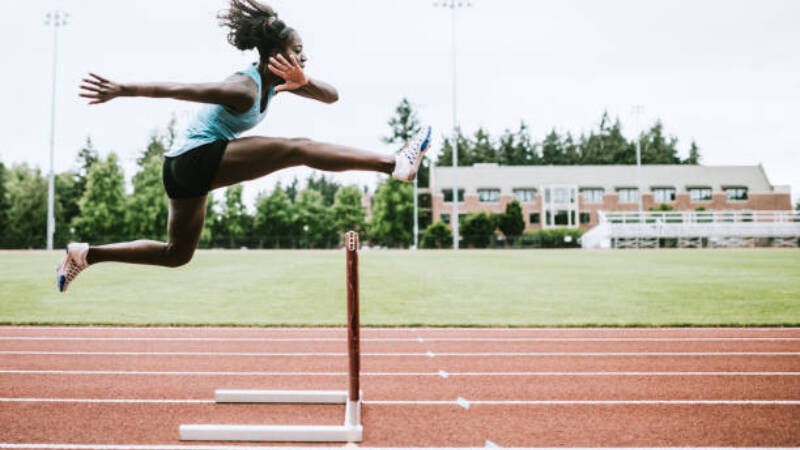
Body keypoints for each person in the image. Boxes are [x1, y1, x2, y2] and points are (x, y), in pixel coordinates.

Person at [58, 0, 431, 292]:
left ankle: (85, 254)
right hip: (194, 158)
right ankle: (394, 163)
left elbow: (332, 97)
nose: (304, 57)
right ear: (275, 54)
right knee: (296, 148)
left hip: (180, 169)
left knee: (177, 255)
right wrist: (124, 89)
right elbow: (185, 89)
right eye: (298, 50)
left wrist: (304, 80)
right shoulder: (246, 87)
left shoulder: (277, 83)